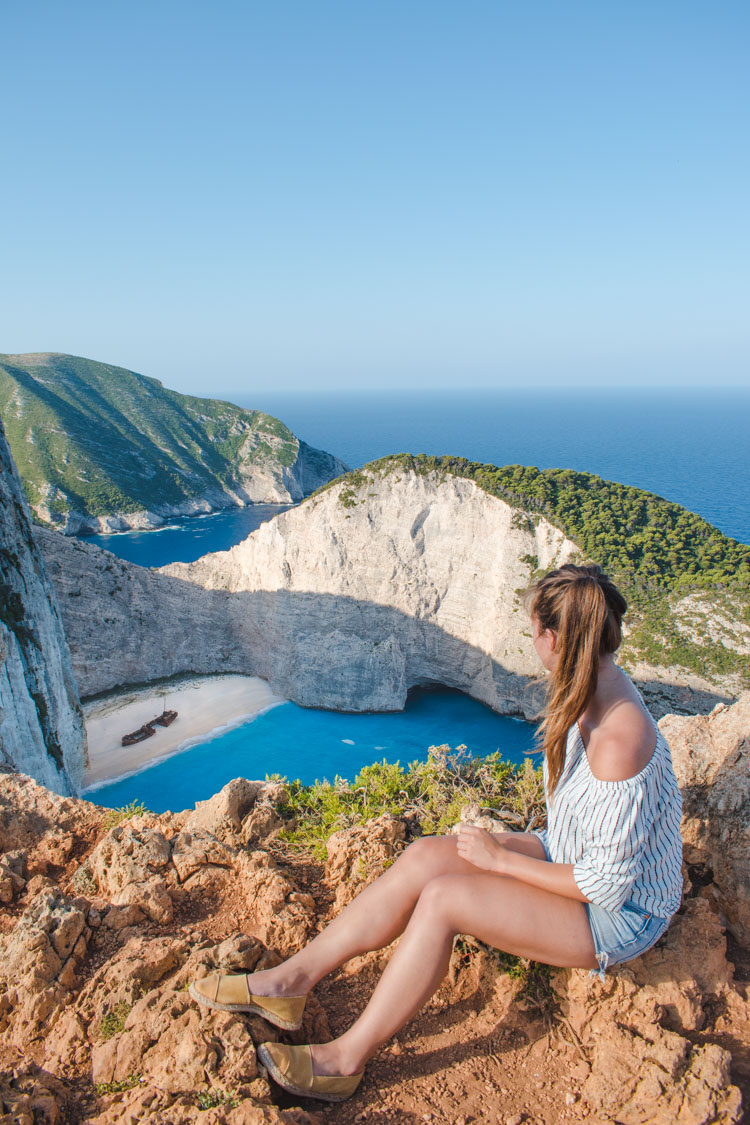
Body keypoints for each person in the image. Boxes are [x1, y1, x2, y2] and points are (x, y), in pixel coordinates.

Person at [189, 563, 683, 1103]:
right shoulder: (590, 687)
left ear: (556, 639)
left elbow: (608, 885)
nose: (533, 643)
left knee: (444, 900)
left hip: (618, 916)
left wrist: (500, 861)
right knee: (427, 858)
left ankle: (342, 1061)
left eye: (535, 632)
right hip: (569, 855)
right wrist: (506, 854)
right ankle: (289, 983)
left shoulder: (617, 738)